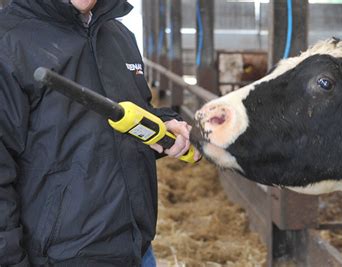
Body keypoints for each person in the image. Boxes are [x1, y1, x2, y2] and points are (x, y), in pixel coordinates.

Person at [0, 0, 199, 266]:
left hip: (137, 249)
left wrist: (163, 124)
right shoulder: (8, 41)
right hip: (60, 258)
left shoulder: (117, 34)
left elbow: (124, 119)